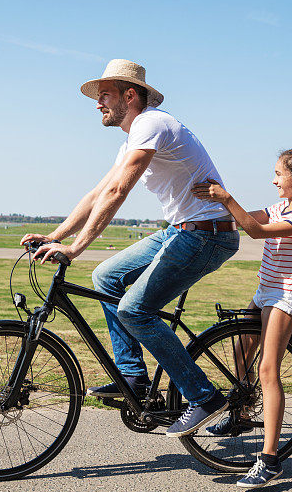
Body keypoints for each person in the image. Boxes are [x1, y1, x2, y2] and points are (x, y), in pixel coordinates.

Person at [21, 59, 240, 437]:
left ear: (130, 95)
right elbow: (98, 192)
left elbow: (118, 192)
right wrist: (56, 236)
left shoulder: (151, 123)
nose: (97, 103)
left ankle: (204, 398)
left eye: (104, 94)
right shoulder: (134, 136)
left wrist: (75, 248)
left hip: (207, 233)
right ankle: (133, 378)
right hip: (181, 230)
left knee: (135, 310)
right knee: (106, 276)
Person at [191, 144, 292, 488]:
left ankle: (269, 460)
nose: (273, 180)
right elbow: (245, 219)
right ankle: (240, 414)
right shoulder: (281, 205)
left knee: (268, 370)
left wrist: (226, 198)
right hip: (266, 290)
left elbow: (255, 230)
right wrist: (200, 214)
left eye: (278, 174)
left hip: (287, 296)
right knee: (241, 351)